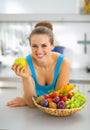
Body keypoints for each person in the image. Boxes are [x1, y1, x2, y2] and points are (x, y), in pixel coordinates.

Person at [6, 23, 70, 107]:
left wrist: (27, 100)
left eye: (44, 46)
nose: (39, 51)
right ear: (30, 46)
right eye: (34, 46)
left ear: (52, 45)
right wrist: (27, 78)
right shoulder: (26, 63)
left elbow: (58, 101)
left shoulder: (63, 62)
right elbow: (32, 104)